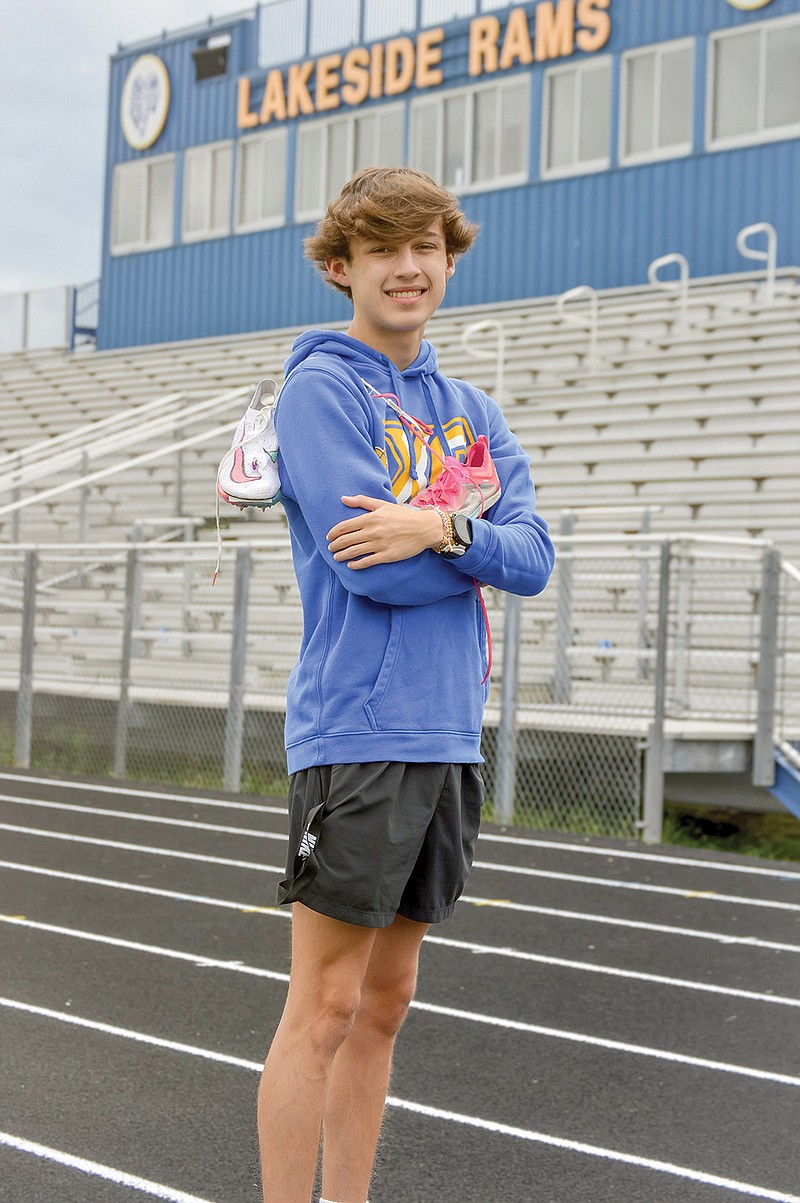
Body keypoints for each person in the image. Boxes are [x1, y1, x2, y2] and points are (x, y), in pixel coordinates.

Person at [258, 166, 555, 1203]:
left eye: (425, 246)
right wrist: (465, 547)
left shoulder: (469, 410)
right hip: (357, 731)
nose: (408, 266)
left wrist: (438, 524)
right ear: (342, 266)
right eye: (384, 249)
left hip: (446, 734)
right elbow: (363, 568)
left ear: (447, 258)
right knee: (324, 1006)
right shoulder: (320, 390)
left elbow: (532, 557)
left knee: (386, 1002)